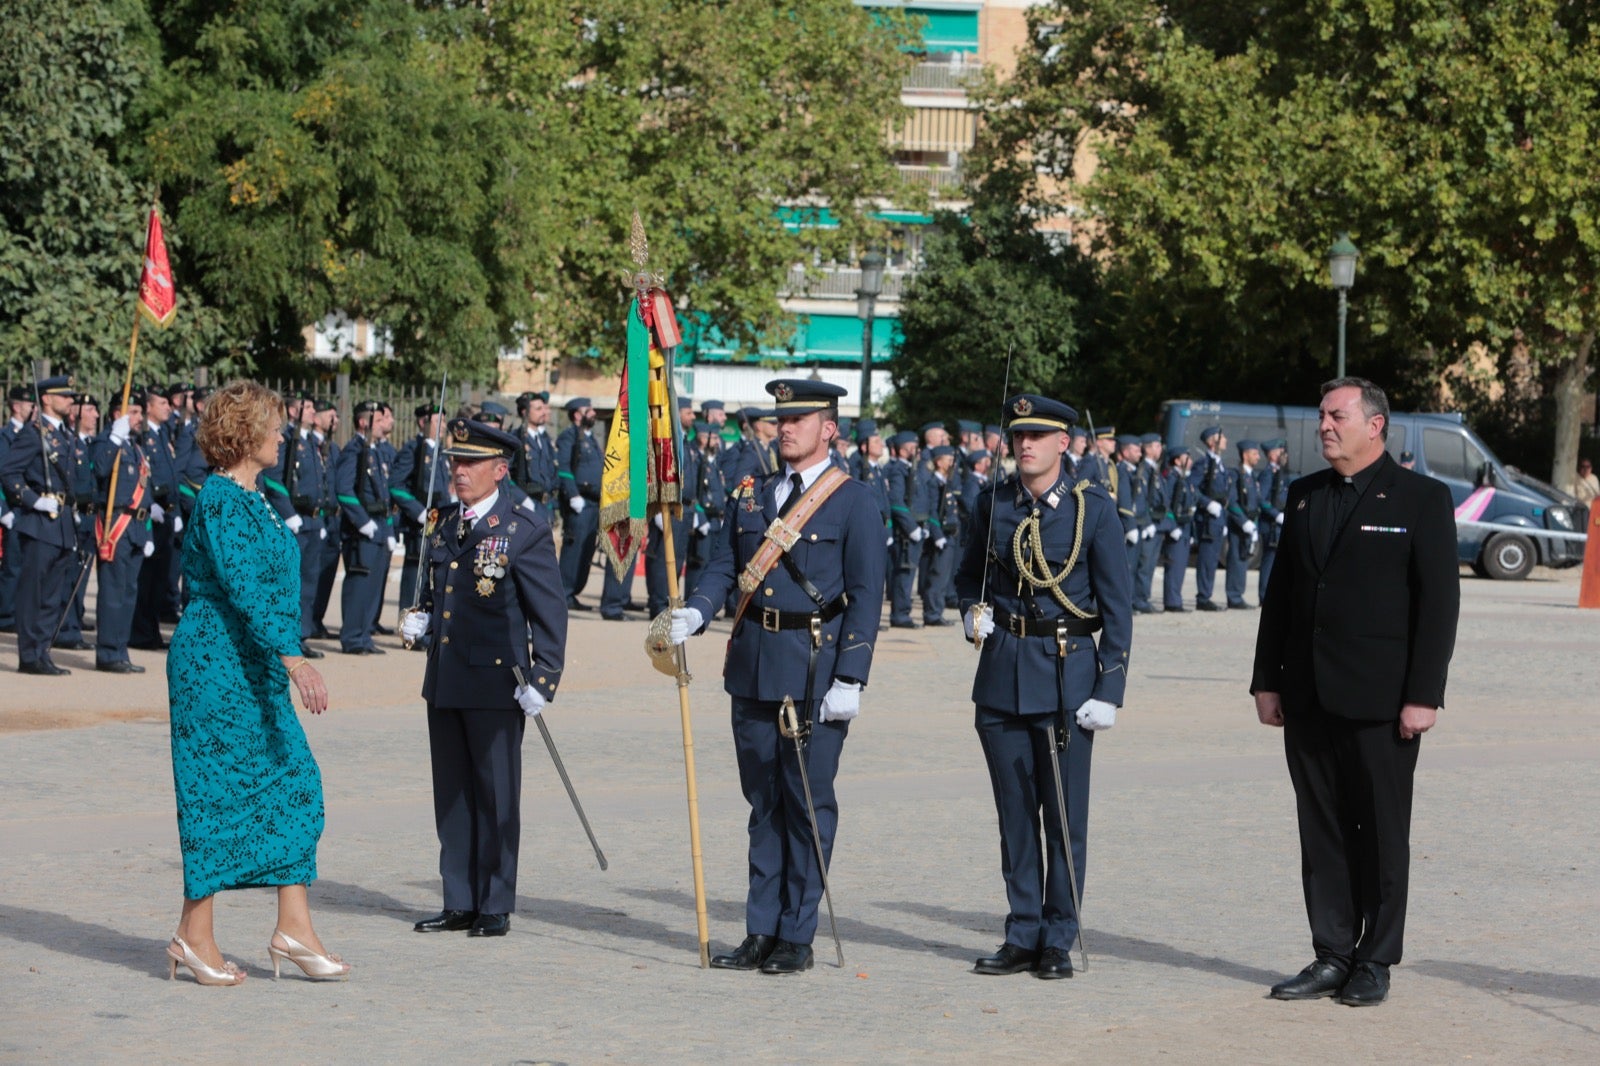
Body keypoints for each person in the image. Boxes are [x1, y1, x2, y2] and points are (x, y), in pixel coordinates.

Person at [1251, 377, 1459, 1008]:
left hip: (1382, 702)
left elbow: (1438, 607)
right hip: (1308, 695)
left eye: (1336, 415)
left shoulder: (1421, 498)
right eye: (1321, 415)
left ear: (1375, 425)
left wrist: (1423, 695)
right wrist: (1265, 679)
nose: (1323, 425)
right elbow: (1281, 596)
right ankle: (1332, 952)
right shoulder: (1306, 495)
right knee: (1322, 832)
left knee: (1380, 833)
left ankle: (1375, 958)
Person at [667, 378, 886, 975]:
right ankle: (760, 929)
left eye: (799, 419)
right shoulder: (752, 495)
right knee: (762, 803)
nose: (784, 428)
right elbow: (723, 566)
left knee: (806, 802)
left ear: (829, 429)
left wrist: (852, 677)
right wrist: (698, 610)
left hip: (814, 669)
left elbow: (867, 597)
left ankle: (797, 933)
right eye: (780, 419)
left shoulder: (854, 500)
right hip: (754, 664)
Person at [165, 380, 347, 986]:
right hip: (215, 663)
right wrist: (295, 660)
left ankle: (293, 926)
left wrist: (281, 658)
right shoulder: (219, 498)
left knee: (293, 780)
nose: (282, 434)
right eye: (272, 424)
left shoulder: (256, 495)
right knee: (214, 793)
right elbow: (243, 585)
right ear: (245, 434)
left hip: (254, 663)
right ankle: (194, 936)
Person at [955, 394, 1132, 980]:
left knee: (1062, 817)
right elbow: (966, 576)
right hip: (1002, 675)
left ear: (1064, 443)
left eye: (1037, 435)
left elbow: (1118, 607)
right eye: (1017, 435)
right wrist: (969, 611)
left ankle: (1059, 935)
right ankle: (1023, 930)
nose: (1024, 445)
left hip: (1065, 678)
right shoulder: (992, 504)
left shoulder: (1092, 510)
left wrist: (1109, 688)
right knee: (1014, 818)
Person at [401, 418, 568, 938]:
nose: (459, 471)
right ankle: (459, 899)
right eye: (455, 461)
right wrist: (421, 618)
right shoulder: (443, 521)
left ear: (500, 469)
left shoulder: (524, 525)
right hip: (447, 676)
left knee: (495, 794)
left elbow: (550, 611)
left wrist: (544, 678)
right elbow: (439, 590)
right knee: (452, 793)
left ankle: (494, 901)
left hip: (498, 681)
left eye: (471, 463)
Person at [0, 376, 79, 675]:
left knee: (51, 594)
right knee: (33, 592)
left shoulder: (64, 434)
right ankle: (29, 654)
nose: (70, 400)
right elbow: (8, 472)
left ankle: (42, 650)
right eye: (65, 396)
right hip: (39, 523)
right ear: (46, 399)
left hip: (60, 525)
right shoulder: (34, 434)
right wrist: (33, 500)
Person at [92, 392, 154, 674]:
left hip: (138, 527)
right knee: (113, 592)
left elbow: (145, 492)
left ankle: (120, 649)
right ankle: (107, 652)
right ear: (118, 414)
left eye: (141, 412)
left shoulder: (136, 447)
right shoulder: (108, 441)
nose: (140, 418)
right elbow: (100, 470)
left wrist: (149, 532)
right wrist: (113, 439)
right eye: (135, 412)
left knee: (129, 592)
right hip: (117, 524)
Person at [265, 393, 330, 659]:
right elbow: (272, 478)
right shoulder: (288, 439)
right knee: (290, 582)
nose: (314, 411)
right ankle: (286, 636)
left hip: (312, 521)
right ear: (293, 411)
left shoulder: (309, 441)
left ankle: (301, 635)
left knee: (309, 582)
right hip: (294, 519)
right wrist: (288, 513)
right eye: (309, 407)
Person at [335, 400, 396, 654]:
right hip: (362, 531)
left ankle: (363, 635)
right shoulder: (354, 451)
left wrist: (389, 528)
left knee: (372, 586)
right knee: (359, 584)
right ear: (364, 422)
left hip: (379, 525)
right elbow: (344, 490)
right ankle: (352, 637)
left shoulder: (374, 451)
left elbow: (384, 498)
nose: (384, 424)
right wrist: (363, 522)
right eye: (379, 420)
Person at [555, 397, 602, 610]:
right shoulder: (569, 436)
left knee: (586, 552)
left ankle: (573, 592)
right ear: (577, 414)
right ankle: (563, 593)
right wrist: (573, 495)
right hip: (579, 502)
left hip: (594, 503)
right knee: (573, 552)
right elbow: (563, 467)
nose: (593, 413)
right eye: (588, 409)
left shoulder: (591, 438)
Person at [884, 429, 928, 628]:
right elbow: (896, 501)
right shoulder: (898, 471)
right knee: (904, 573)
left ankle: (903, 612)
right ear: (902, 451)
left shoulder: (912, 470)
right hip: (904, 532)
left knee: (909, 573)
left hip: (914, 528)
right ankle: (900, 614)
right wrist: (911, 528)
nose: (915, 450)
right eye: (911, 447)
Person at [1189, 426, 1229, 611]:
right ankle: (1203, 597)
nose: (1225, 440)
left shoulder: (1220, 464)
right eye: (1222, 437)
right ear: (1213, 441)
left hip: (1218, 518)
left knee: (1213, 559)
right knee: (1206, 559)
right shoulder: (1203, 464)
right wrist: (1207, 503)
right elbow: (1192, 489)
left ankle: (1207, 594)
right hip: (1207, 519)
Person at [1224, 439, 1262, 610]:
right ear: (1246, 454)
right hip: (1239, 524)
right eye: (1255, 453)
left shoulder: (1251, 476)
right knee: (1236, 559)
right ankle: (1234, 596)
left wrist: (1253, 524)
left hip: (1249, 522)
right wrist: (1244, 522)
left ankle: (1237, 594)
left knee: (1243, 558)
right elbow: (1232, 502)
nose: (1258, 457)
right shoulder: (1236, 474)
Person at [1256, 438, 1291, 601]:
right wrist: (1275, 514)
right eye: (1280, 451)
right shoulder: (1267, 474)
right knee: (1269, 560)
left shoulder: (1279, 473)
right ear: (1271, 454)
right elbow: (1261, 499)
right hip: (1270, 523)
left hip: (1277, 523)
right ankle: (1264, 595)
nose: (1284, 454)